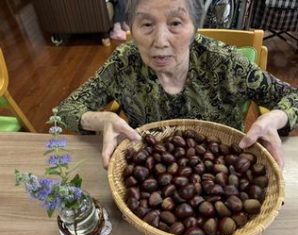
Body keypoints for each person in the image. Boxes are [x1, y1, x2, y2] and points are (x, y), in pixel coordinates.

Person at [57, 0, 298, 169]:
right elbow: (66, 110)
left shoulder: (226, 63)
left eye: (175, 23)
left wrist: (275, 118)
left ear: (194, 26)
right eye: (147, 24)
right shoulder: (124, 63)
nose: (160, 41)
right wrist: (101, 119)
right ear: (132, 27)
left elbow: (292, 97)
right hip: (152, 168)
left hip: (225, 167)